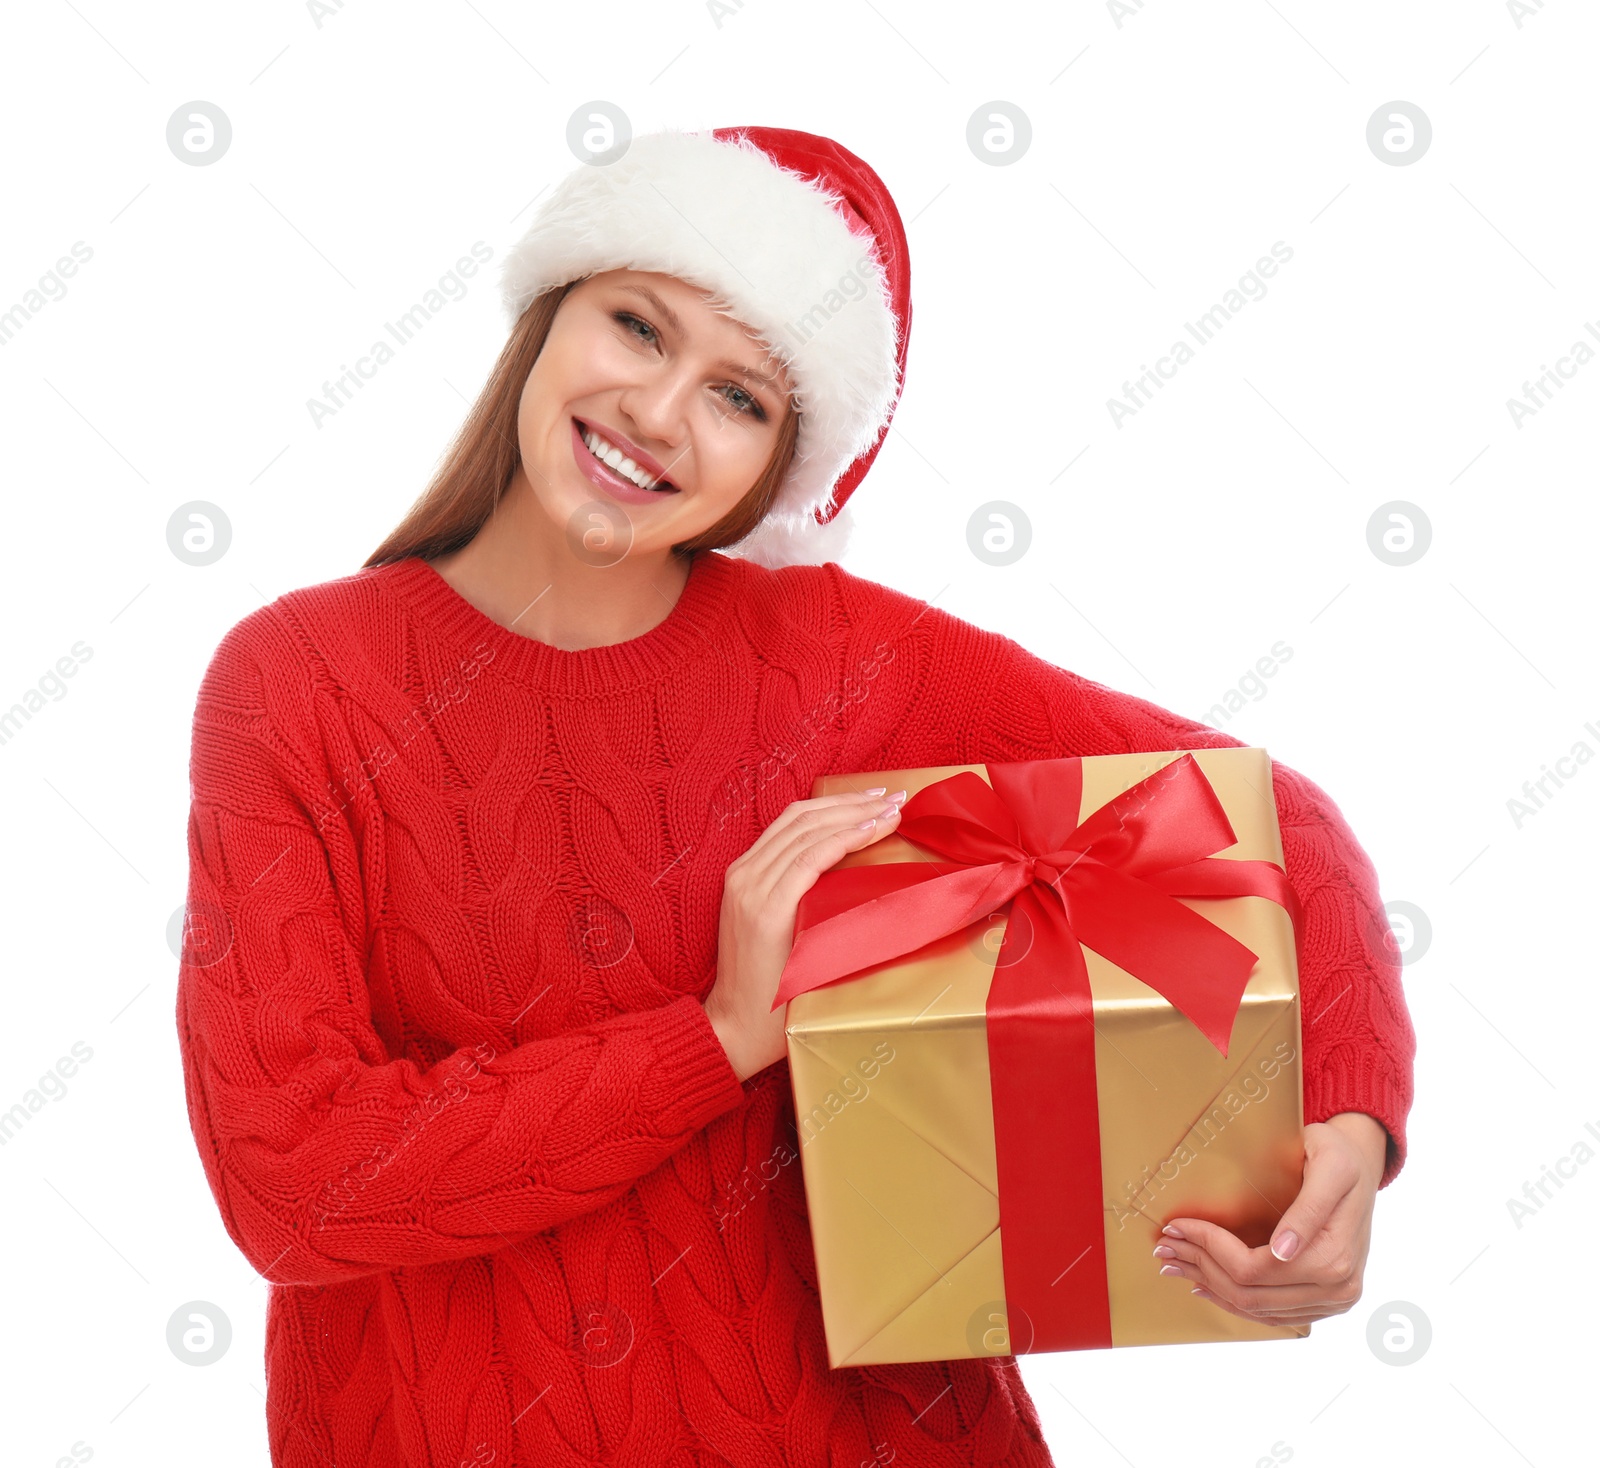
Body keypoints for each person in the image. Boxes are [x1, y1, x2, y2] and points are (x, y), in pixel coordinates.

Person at [175, 126, 1416, 1468]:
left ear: (779, 465)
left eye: (740, 398)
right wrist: (715, 1039)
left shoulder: (837, 658)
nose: (657, 412)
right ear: (549, 314)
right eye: (638, 327)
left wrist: (1348, 1111)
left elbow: (1269, 816)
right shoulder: (298, 684)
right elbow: (292, 1185)